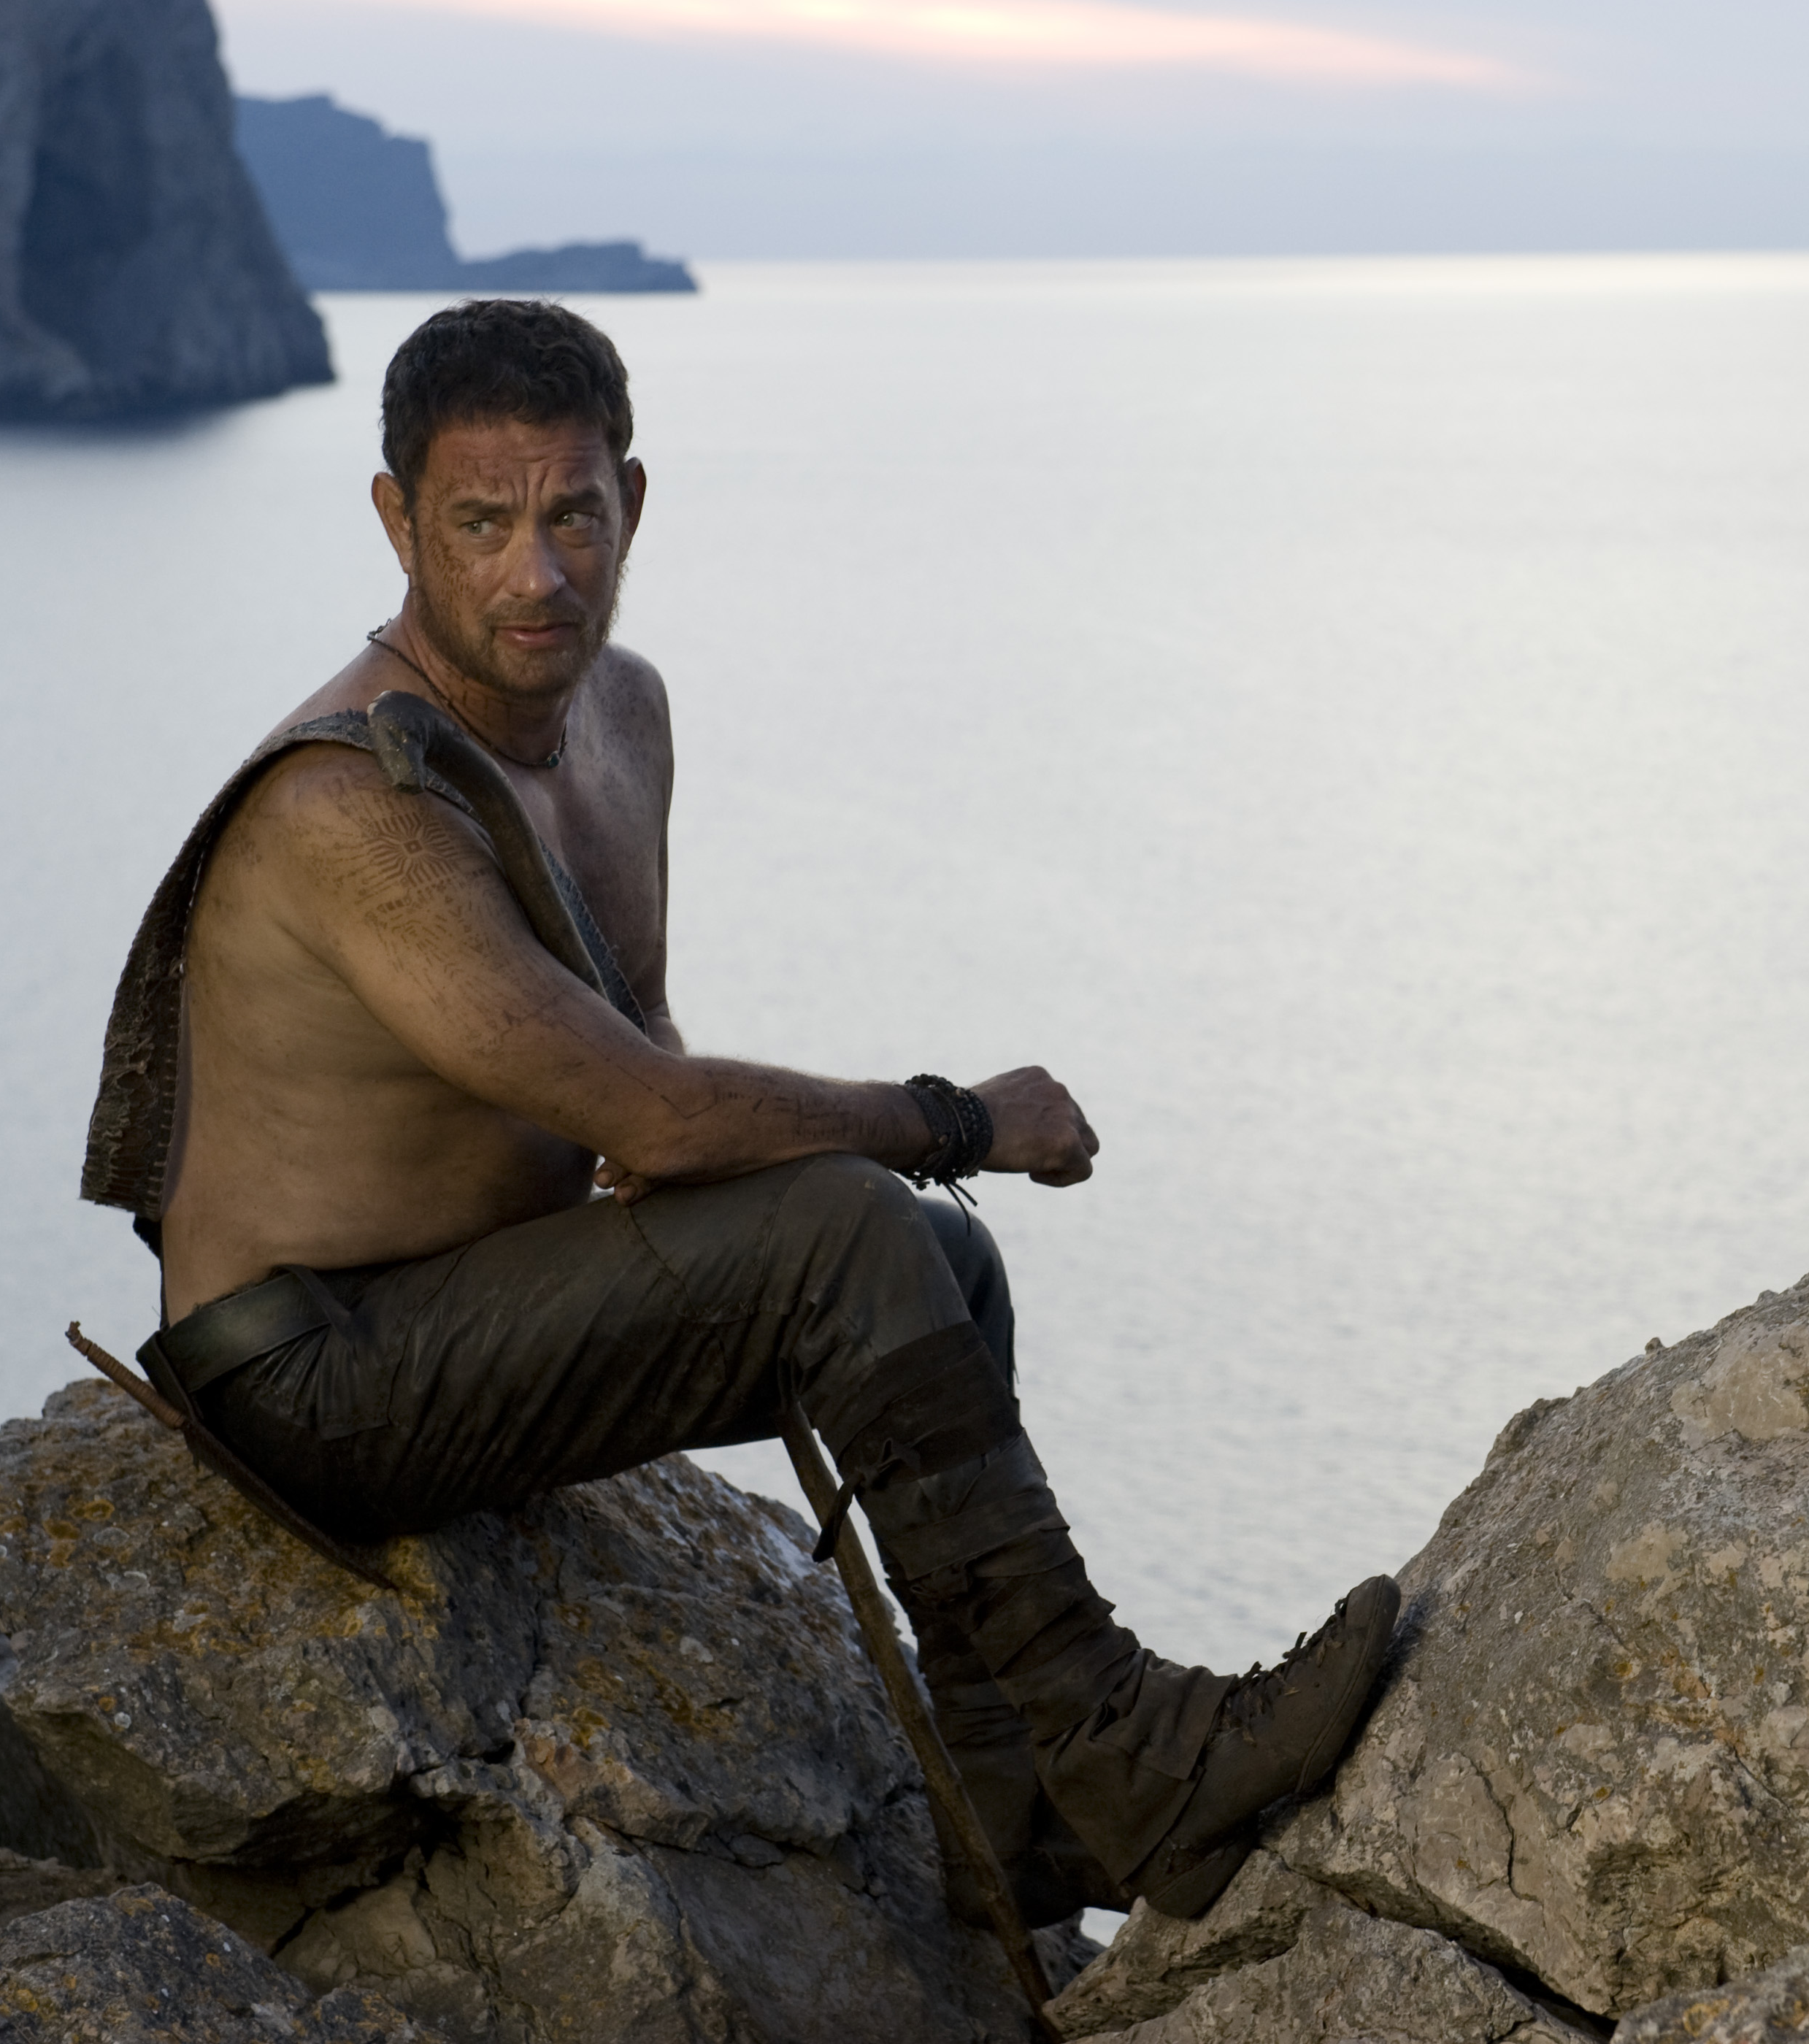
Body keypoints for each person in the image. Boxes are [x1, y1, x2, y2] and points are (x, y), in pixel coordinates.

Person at [77, 298, 1397, 1925]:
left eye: (573, 516)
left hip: (469, 1302)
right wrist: (956, 1119)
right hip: (315, 1376)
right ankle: (1134, 1746)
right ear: (397, 521)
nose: (537, 574)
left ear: (632, 502)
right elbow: (648, 1109)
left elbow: (635, 1043)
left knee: (938, 1263)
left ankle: (1022, 1807)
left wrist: (733, 1194)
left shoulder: (623, 715)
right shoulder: (351, 805)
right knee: (853, 1227)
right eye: (481, 524)